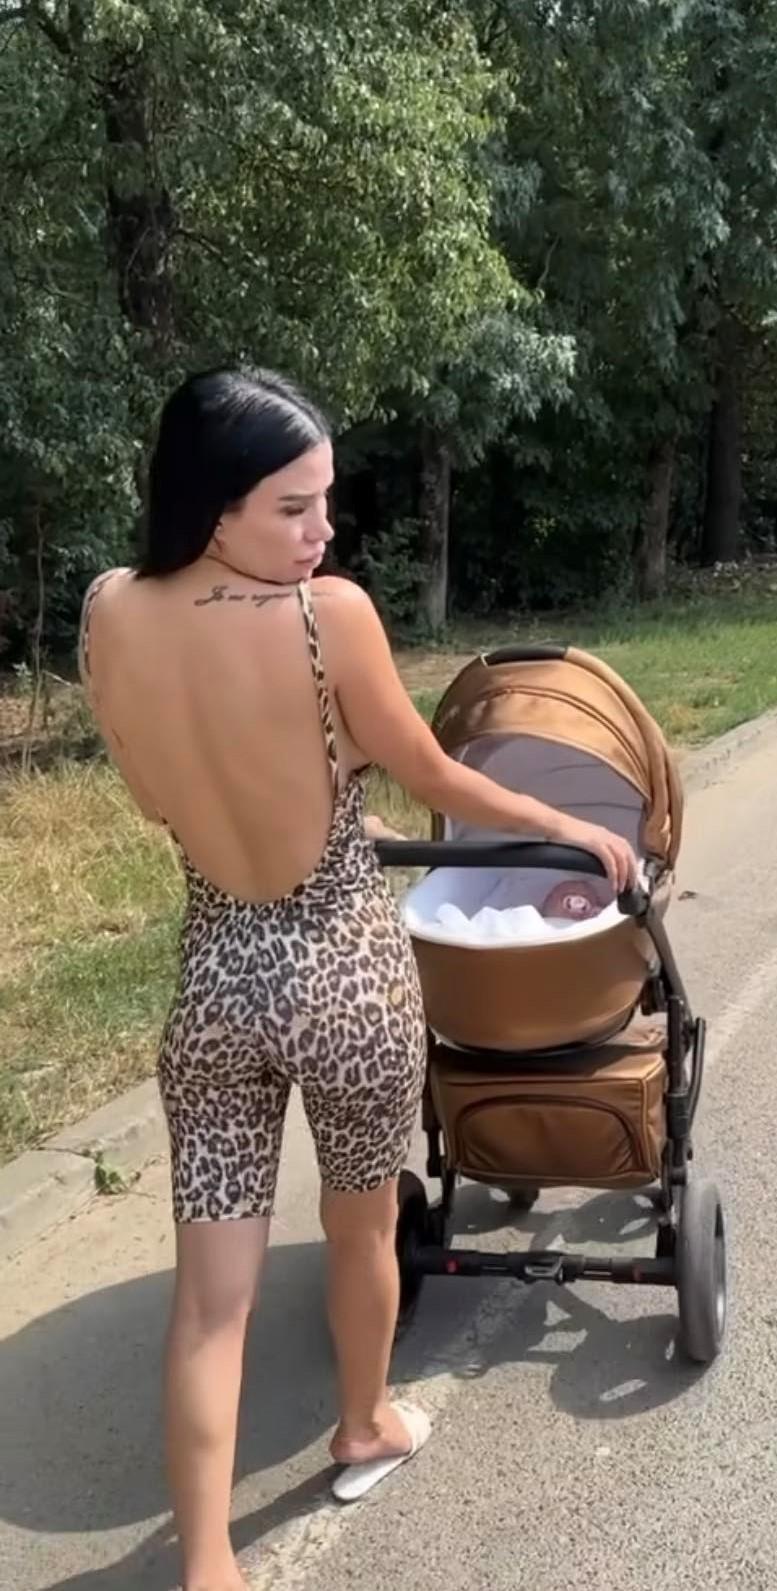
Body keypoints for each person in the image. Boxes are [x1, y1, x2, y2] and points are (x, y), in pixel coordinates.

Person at [78, 368, 637, 1591]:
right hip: (345, 977)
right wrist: (562, 821)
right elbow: (432, 773)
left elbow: (163, 795)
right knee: (360, 1224)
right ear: (214, 503)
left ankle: (207, 1567)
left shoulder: (110, 609)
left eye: (324, 501)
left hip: (215, 982)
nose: (320, 530)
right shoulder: (325, 615)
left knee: (208, 1302)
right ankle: (365, 1421)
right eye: (292, 507)